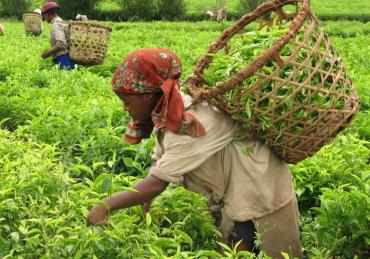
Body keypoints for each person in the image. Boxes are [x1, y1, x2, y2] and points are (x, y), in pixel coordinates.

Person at [88, 48, 303, 258]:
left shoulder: (191, 123)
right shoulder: (170, 113)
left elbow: (158, 182)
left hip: (259, 186)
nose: (126, 108)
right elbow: (160, 160)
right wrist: (145, 202)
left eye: (127, 101)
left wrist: (106, 205)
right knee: (234, 245)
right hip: (235, 190)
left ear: (147, 95)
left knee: (265, 250)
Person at [40, 1, 75, 70]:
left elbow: (61, 44)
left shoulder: (56, 24)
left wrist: (47, 53)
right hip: (68, 58)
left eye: (44, 15)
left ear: (48, 14)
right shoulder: (61, 22)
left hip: (63, 59)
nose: (44, 17)